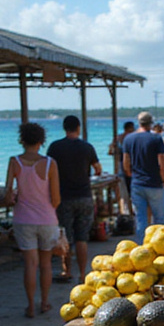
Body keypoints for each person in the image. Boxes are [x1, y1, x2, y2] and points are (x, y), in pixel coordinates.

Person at [5, 122, 61, 318]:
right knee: (45, 264)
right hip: (46, 218)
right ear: (41, 141)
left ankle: (30, 306)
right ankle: (44, 303)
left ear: (22, 140)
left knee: (30, 264)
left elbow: (7, 196)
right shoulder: (49, 164)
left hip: (23, 219)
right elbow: (56, 198)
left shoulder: (14, 162)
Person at [47, 114, 101, 284]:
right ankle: (83, 274)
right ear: (78, 128)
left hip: (63, 197)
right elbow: (98, 169)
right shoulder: (87, 147)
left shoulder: (55, 147)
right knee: (82, 238)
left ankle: (67, 271)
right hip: (84, 196)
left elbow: (48, 171)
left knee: (66, 237)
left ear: (64, 128)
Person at [122, 111, 164, 243]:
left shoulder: (128, 139)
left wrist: (130, 174)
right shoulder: (156, 138)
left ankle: (142, 246)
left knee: (141, 219)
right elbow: (162, 162)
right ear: (151, 123)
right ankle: (161, 247)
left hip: (137, 183)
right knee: (159, 219)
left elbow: (126, 162)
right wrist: (163, 178)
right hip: (154, 183)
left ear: (139, 122)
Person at [110, 120, 135, 213]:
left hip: (120, 166)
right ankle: (131, 210)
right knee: (132, 191)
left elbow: (110, 151)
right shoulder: (132, 138)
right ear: (130, 128)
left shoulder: (117, 138)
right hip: (131, 166)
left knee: (123, 193)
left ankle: (125, 211)